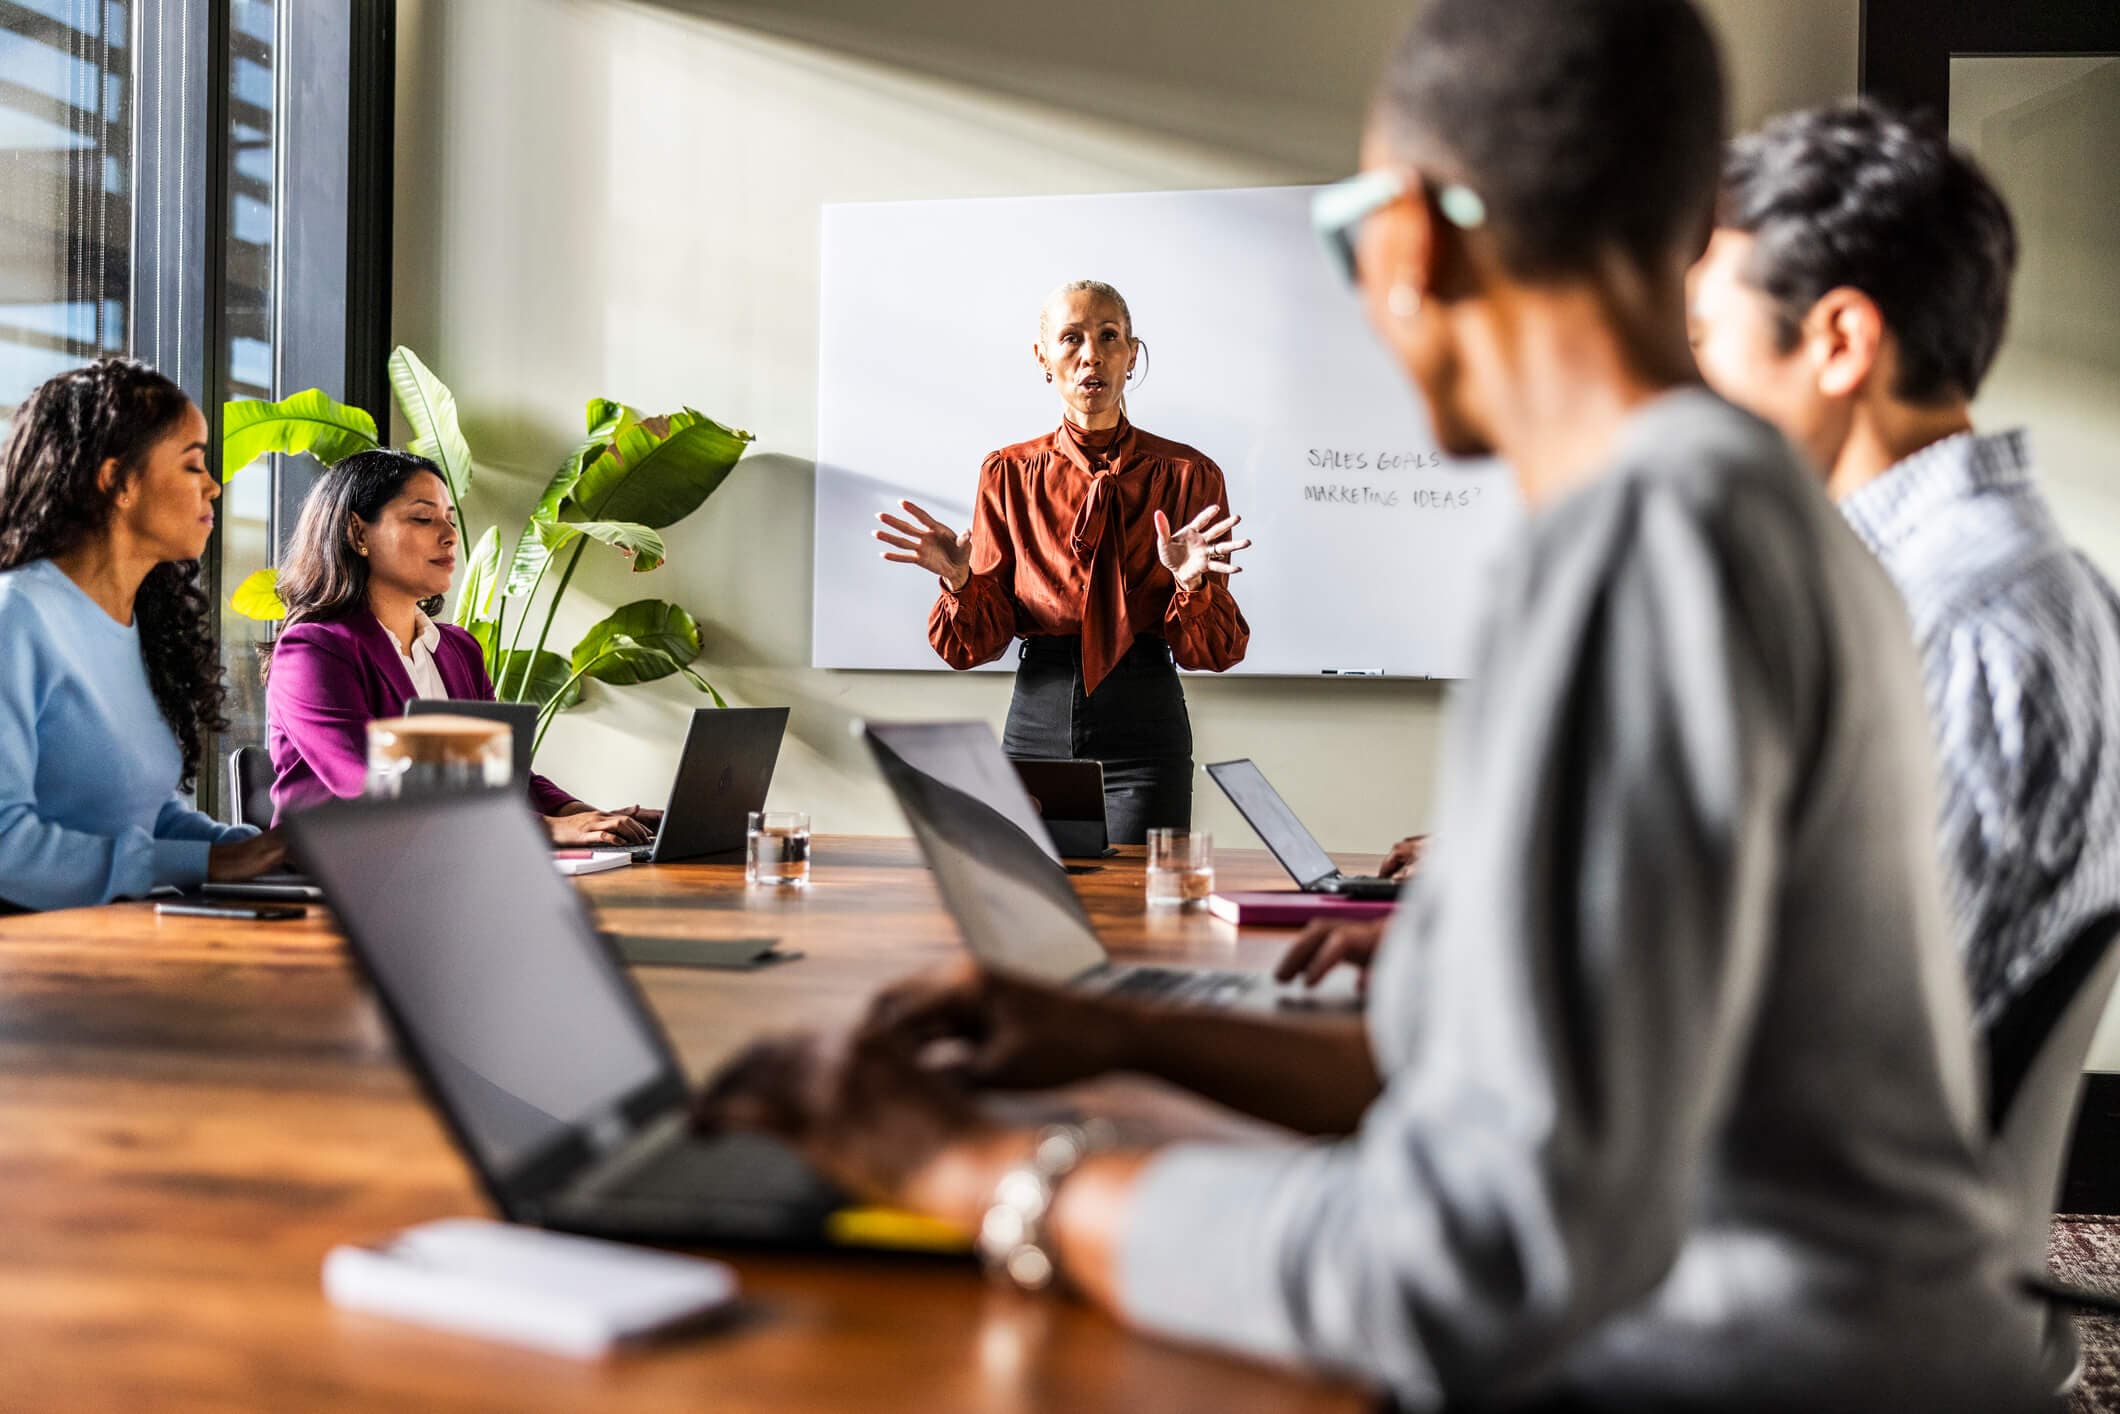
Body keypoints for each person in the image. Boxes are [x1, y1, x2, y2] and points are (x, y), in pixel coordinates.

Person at [698, 0, 2052, 1407]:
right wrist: (1125, 1031)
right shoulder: (1747, 511)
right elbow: (1524, 1076)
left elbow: (1472, 1262)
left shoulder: (1645, 540)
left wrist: (979, 1170)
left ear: (1406, 237)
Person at [1689, 100, 2120, 1030]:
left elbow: (1841, 1036)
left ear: (1840, 343)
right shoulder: (2039, 586)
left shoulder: (1959, 626)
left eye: (1703, 343)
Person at [873, 280, 1250, 843]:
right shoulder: (1007, 473)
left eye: (1108, 337)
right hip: (1038, 723)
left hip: (1145, 731)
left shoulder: (1189, 475)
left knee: (1137, 915)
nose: (1091, 355)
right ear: (1042, 357)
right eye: (1071, 338)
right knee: (1031, 903)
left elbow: (1213, 652)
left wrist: (1193, 585)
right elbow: (976, 646)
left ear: (1131, 354)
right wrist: (960, 580)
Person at [0, 360, 285, 910]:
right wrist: (207, 864)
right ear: (117, 482)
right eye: (193, 465)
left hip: (110, 941)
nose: (214, 486)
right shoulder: (18, 617)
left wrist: (260, 850)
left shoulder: (136, 626)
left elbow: (145, 814)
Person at [265, 449, 658, 846]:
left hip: (448, 864)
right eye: (423, 518)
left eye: (449, 520)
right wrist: (546, 829)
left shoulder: (459, 649)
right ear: (358, 533)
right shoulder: (312, 650)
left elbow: (497, 772)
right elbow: (370, 780)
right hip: (335, 879)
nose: (449, 535)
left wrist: (584, 816)